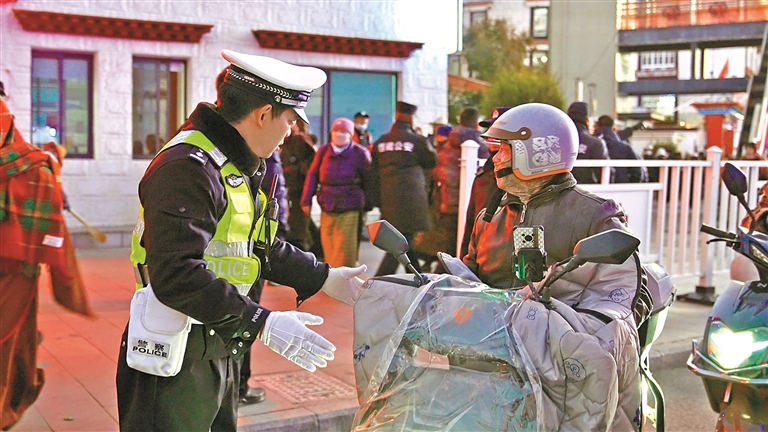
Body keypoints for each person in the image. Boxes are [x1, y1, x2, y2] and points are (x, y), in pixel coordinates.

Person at [116, 50, 367, 432]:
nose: (290, 133)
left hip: (218, 340)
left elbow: (258, 245)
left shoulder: (234, 164)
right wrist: (262, 321)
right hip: (174, 353)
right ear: (263, 114)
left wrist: (323, 276)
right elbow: (176, 273)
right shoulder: (189, 166)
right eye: (290, 121)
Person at [464, 103, 642, 430]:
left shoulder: (595, 214)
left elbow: (622, 296)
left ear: (538, 153)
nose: (495, 159)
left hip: (562, 375)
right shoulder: (489, 216)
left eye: (504, 150)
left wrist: (562, 326)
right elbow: (468, 281)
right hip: (493, 367)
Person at [1, 83, 94, 430]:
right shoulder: (30, 163)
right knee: (9, 345)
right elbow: (47, 217)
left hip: (14, 268)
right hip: (15, 269)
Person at [370, 101, 437, 276]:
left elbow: (373, 173)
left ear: (396, 116)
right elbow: (432, 160)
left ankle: (417, 276)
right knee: (401, 242)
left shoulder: (381, 142)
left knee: (402, 239)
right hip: (411, 200)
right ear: (411, 118)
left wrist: (375, 200)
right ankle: (379, 280)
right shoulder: (417, 141)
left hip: (388, 199)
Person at [301, 117, 373, 268]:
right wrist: (306, 200)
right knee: (329, 245)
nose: (339, 134)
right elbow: (313, 175)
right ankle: (332, 277)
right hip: (327, 204)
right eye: (336, 131)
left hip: (350, 206)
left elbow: (369, 180)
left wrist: (367, 204)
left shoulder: (360, 153)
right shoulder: (323, 151)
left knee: (345, 249)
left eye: (343, 131)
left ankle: (345, 278)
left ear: (350, 134)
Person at [459, 106, 511, 258]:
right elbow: (471, 226)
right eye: (491, 131)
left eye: (499, 133)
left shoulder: (524, 180)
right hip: (481, 260)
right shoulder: (483, 177)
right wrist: (463, 262)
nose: (492, 138)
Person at [281, 121, 316, 251]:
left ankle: (303, 248)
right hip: (287, 187)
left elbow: (312, 164)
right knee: (296, 223)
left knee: (299, 224)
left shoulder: (299, 140)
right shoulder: (281, 140)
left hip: (298, 188)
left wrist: (297, 169)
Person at [594, 115, 647, 183]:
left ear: (597, 125)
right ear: (614, 128)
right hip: (621, 185)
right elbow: (637, 171)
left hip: (591, 187)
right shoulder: (625, 148)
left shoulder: (589, 144)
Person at [567, 102, 609, 184]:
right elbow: (604, 174)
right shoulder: (596, 143)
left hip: (559, 190)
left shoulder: (556, 142)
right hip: (589, 190)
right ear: (587, 120)